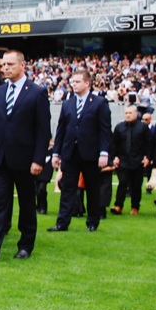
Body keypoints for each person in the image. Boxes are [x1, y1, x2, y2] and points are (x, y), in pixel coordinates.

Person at [0, 50, 50, 261]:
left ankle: (25, 245)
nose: (5, 68)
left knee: (27, 204)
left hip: (26, 160)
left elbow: (42, 131)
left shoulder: (37, 92)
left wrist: (38, 159)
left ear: (22, 66)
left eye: (10, 64)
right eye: (3, 65)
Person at [48, 69, 111, 233]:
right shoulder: (68, 103)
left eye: (77, 82)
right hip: (70, 152)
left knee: (92, 188)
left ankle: (92, 221)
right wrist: (56, 153)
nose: (73, 84)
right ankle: (62, 222)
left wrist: (104, 153)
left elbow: (105, 130)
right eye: (72, 82)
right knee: (67, 188)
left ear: (87, 83)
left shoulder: (99, 103)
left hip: (90, 153)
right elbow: (61, 129)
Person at [110, 105, 152, 215]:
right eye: (126, 113)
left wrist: (147, 157)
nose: (128, 115)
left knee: (136, 185)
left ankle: (135, 207)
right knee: (122, 183)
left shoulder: (143, 127)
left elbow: (149, 143)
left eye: (130, 113)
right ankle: (118, 205)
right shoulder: (119, 127)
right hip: (123, 160)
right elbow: (114, 144)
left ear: (136, 114)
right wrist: (114, 157)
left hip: (138, 160)